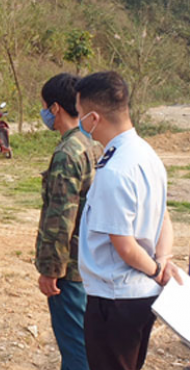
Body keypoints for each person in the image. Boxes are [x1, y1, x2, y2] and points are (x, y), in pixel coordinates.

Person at [75, 71, 183, 370]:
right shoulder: (146, 154)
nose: (80, 122)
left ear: (94, 118)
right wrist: (162, 258)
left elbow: (124, 246)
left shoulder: (115, 170)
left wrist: (157, 269)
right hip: (136, 298)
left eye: (81, 114)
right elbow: (164, 216)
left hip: (115, 298)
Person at [35, 73, 102, 370]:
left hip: (71, 270)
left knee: (75, 346)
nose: (45, 115)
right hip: (92, 262)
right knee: (89, 340)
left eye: (45, 108)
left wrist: (51, 270)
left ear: (56, 108)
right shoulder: (93, 144)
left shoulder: (67, 152)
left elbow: (61, 219)